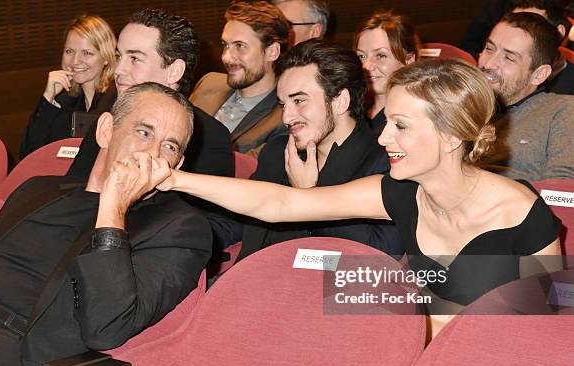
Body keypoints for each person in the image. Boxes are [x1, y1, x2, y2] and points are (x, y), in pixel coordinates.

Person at [159, 59, 561, 332]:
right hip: (411, 354)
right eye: (388, 123)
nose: (384, 137)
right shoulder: (400, 193)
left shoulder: (522, 214)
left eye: (400, 126)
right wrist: (177, 180)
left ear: (453, 134)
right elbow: (281, 204)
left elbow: (547, 327)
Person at [0, 82, 212, 366]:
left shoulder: (179, 229)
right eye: (143, 132)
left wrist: (113, 207)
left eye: (169, 146)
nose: (152, 155)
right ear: (107, 130)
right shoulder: (40, 189)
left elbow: (106, 326)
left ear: (178, 163)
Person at [209, 40, 403, 263]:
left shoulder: (386, 162)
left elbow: (378, 260)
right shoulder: (279, 150)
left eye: (299, 101)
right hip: (251, 283)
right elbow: (238, 220)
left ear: (341, 101)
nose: (286, 118)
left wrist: (310, 195)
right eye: (283, 105)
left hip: (320, 293)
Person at [67, 8, 234, 180]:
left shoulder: (210, 139)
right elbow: (73, 188)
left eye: (135, 59)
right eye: (119, 56)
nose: (118, 70)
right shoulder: (111, 117)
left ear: (174, 71)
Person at [478, 12, 574, 179]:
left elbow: (562, 191)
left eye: (508, 58)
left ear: (539, 75)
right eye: (489, 48)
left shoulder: (563, 111)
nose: (488, 63)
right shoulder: (460, 103)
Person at [190, 1, 290, 156]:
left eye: (240, 46)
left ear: (272, 52)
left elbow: (249, 172)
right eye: (225, 45)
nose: (226, 57)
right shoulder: (209, 82)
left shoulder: (286, 117)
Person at [20, 15, 116, 159]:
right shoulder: (66, 101)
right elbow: (29, 155)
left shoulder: (117, 99)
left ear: (106, 57)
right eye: (69, 51)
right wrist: (48, 98)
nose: (75, 61)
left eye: (87, 53)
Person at [354, 10, 420, 132]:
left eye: (380, 55)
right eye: (361, 56)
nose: (366, 66)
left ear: (409, 60)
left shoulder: (416, 116)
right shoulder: (353, 110)